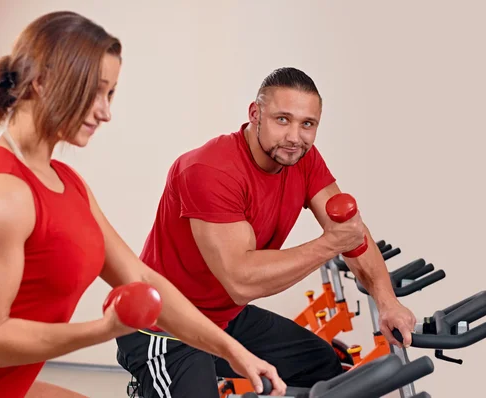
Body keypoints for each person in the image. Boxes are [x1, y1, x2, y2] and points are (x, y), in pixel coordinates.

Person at [0, 11, 285, 398]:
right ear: (42, 81)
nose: (105, 111)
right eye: (95, 90)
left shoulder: (68, 183)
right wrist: (105, 328)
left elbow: (142, 280)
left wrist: (234, 352)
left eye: (110, 93)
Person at [115, 67, 418, 397]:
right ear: (255, 114)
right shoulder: (210, 170)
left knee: (322, 367)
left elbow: (352, 232)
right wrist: (330, 245)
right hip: (163, 326)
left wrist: (388, 303)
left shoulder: (304, 160)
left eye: (307, 124)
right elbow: (241, 280)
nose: (295, 136)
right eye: (282, 119)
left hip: (224, 318)